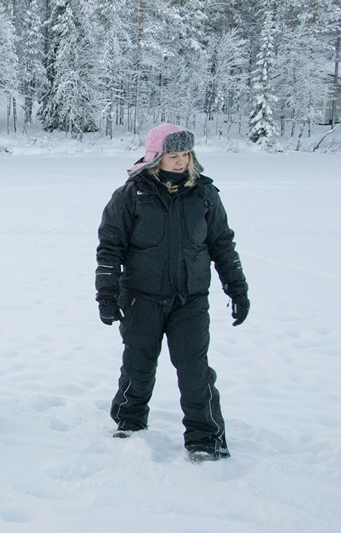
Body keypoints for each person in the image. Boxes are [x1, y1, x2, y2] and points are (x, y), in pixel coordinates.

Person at [95, 123, 249, 461]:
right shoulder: (131, 195)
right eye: (173, 155)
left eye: (186, 154)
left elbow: (222, 245)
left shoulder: (204, 194)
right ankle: (129, 423)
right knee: (137, 366)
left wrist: (237, 289)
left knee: (195, 371)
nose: (181, 161)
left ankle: (206, 438)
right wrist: (106, 294)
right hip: (141, 298)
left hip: (189, 300)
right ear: (156, 157)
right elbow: (110, 248)